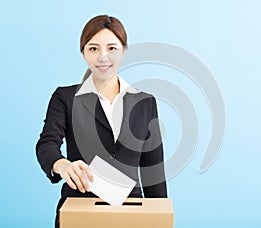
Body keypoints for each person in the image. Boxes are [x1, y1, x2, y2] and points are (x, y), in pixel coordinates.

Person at [36, 15, 167, 228]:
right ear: (83, 52)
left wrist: (160, 217)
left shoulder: (144, 102)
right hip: (79, 208)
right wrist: (62, 165)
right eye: (93, 48)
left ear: (124, 51)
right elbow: (47, 144)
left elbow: (153, 170)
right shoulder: (65, 98)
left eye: (112, 48)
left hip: (132, 211)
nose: (103, 57)